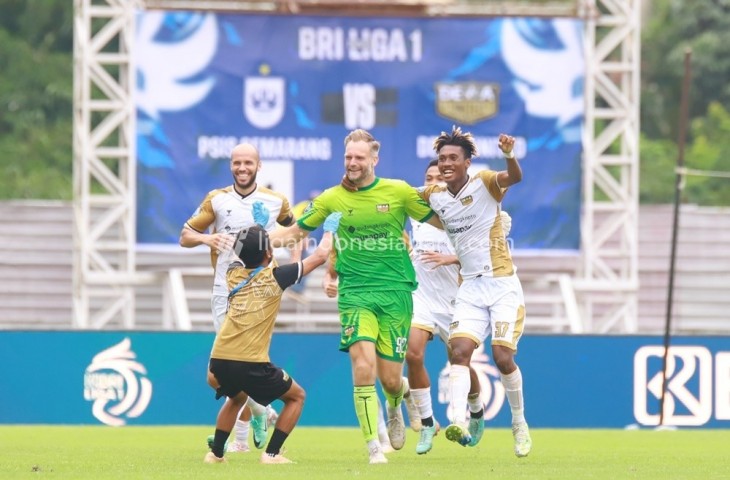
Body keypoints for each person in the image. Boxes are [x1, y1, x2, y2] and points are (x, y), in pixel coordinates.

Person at [260, 129, 442, 464]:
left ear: (375, 159)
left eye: (359, 157)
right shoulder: (332, 198)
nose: (353, 163)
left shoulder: (399, 192)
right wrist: (255, 238)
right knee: (362, 366)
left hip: (396, 294)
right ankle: (374, 447)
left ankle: (396, 399)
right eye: (348, 157)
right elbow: (296, 232)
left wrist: (479, 223)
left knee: (389, 379)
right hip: (355, 293)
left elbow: (441, 221)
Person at [180, 143, 301, 453]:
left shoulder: (275, 201)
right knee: (221, 373)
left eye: (248, 162)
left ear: (258, 166)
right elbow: (185, 236)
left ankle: (243, 440)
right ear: (231, 165)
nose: (242, 167)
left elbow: (298, 229)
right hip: (226, 290)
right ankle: (261, 412)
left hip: (262, 293)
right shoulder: (217, 199)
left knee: (242, 366)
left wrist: (295, 260)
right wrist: (208, 237)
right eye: (237, 162)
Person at [418, 127, 532, 457]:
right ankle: (459, 420)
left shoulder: (483, 182)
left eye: (453, 158)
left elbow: (515, 177)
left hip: (501, 286)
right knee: (458, 352)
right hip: (469, 286)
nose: (446, 163)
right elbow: (403, 197)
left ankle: (519, 423)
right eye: (442, 159)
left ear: (467, 161)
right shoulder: (434, 195)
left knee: (502, 357)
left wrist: (509, 155)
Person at [204, 208, 342, 464]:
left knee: (236, 398)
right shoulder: (277, 277)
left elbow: (255, 252)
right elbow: (321, 255)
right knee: (296, 397)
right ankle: (272, 454)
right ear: (268, 252)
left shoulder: (232, 272)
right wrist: (330, 229)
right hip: (250, 360)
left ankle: (216, 454)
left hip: (219, 358)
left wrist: (258, 225)